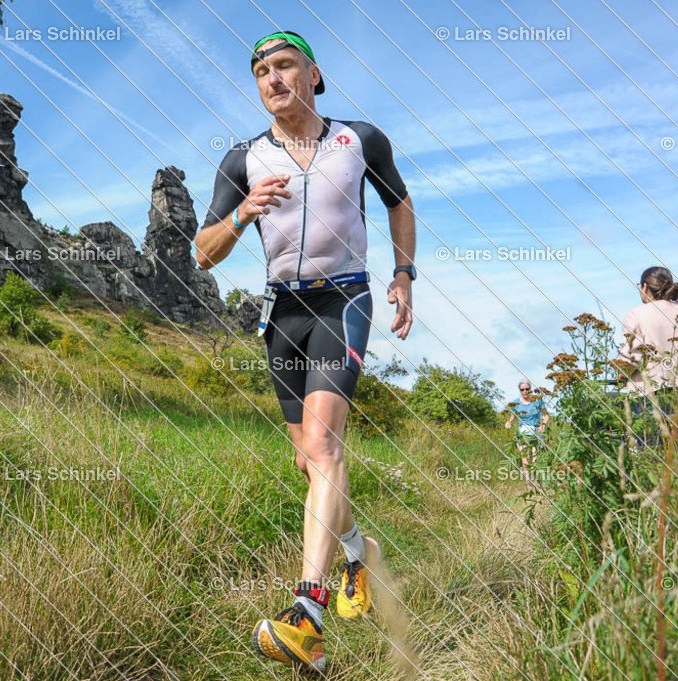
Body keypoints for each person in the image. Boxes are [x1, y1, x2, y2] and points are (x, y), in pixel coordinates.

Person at [194, 30, 415, 672]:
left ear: (314, 75)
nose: (273, 78)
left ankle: (307, 614)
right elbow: (202, 253)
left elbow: (400, 204)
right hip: (281, 311)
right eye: (262, 70)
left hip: (343, 300)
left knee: (324, 449)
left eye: (285, 65)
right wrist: (242, 215)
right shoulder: (243, 159)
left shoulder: (359, 140)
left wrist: (404, 275)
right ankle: (358, 553)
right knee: (309, 463)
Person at [617, 266, 678, 461]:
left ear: (645, 287)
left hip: (648, 390)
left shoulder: (636, 313)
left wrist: (622, 375)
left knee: (651, 455)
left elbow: (632, 356)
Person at [504, 380, 549, 484]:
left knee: (535, 459)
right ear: (520, 390)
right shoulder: (516, 403)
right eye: (522, 389)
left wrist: (543, 424)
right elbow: (513, 418)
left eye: (527, 389)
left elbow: (546, 415)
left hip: (536, 432)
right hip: (523, 433)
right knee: (525, 460)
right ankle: (529, 486)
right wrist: (509, 422)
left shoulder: (538, 401)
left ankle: (538, 485)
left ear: (530, 389)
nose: (525, 391)